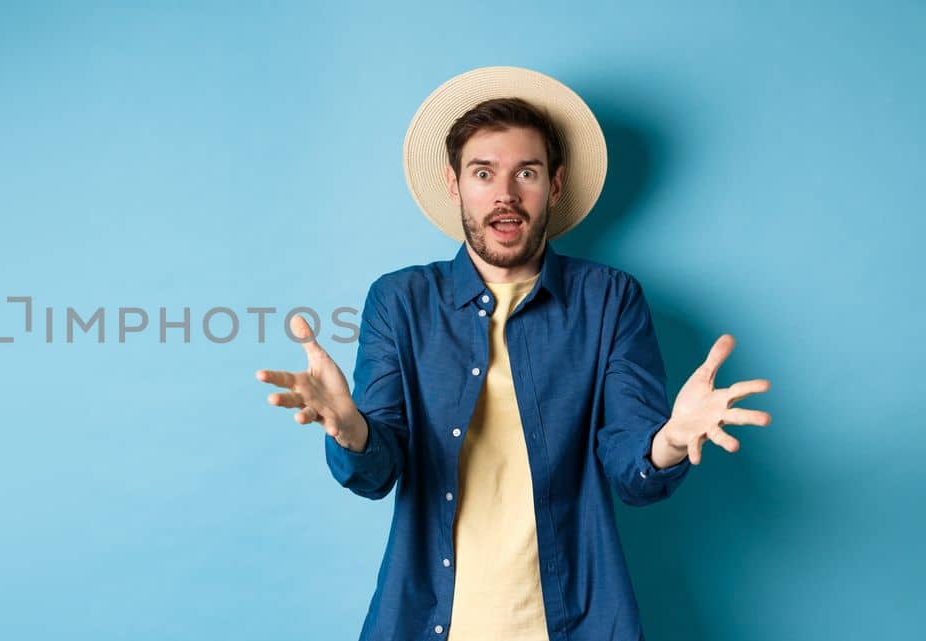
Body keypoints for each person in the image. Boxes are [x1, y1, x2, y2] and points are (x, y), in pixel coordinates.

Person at [254, 67, 772, 641]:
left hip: (576, 622)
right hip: (426, 622)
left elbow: (633, 473)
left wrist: (670, 439)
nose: (505, 193)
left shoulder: (610, 299)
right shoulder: (400, 301)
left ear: (554, 185)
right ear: (455, 186)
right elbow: (376, 475)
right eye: (484, 173)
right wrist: (351, 429)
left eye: (525, 172)